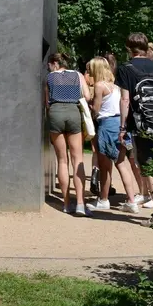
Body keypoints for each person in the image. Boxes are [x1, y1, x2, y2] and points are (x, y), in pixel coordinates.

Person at [116, 33, 153, 227]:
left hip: (141, 126)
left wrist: (123, 126)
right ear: (146, 47)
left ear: (129, 49)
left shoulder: (126, 68)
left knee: (150, 168)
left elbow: (125, 100)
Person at [85, 57, 138, 213]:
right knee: (121, 163)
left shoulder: (100, 86)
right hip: (119, 124)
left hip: (106, 125)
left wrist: (88, 104)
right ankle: (132, 201)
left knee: (105, 166)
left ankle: (103, 199)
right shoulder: (116, 87)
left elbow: (96, 108)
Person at [45, 53, 92, 216]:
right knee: (77, 159)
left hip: (56, 112)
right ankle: (80, 203)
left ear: (55, 63)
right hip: (73, 112)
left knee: (62, 160)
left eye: (49, 65)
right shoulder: (78, 75)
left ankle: (66, 203)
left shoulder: (50, 78)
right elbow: (87, 96)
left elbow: (47, 102)